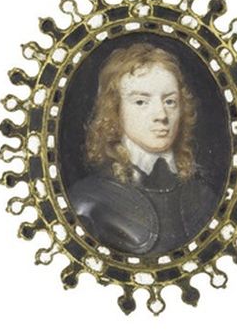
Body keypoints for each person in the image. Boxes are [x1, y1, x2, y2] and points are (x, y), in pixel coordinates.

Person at [69, 43, 217, 257]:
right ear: (115, 110)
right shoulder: (88, 201)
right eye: (141, 102)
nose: (161, 115)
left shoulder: (203, 199)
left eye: (170, 101)